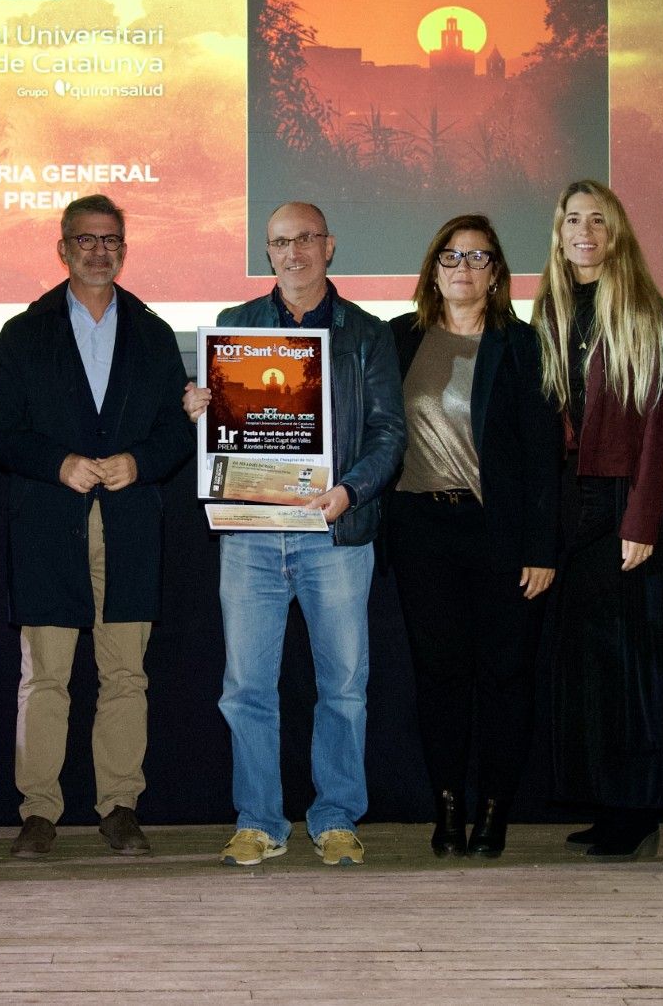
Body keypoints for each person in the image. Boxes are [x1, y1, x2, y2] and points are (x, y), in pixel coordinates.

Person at [182, 201, 406, 868]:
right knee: (245, 688)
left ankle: (335, 818)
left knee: (343, 688)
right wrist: (200, 407)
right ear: (268, 252)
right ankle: (258, 821)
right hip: (251, 534)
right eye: (281, 242)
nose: (294, 252)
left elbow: (389, 434)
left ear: (329, 246)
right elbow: (225, 427)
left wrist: (349, 492)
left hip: (334, 534)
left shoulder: (367, 334)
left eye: (306, 238)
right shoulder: (235, 326)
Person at [0, 195, 193, 858]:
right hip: (49, 525)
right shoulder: (24, 332)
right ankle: (39, 812)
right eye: (86, 240)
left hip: (130, 527)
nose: (100, 251)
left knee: (125, 673)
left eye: (111, 240)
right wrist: (58, 463)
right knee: (45, 676)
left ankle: (119, 806)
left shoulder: (153, 334)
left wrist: (140, 462)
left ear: (123, 248)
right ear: (63, 248)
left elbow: (174, 431)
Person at [534, 180, 663, 861]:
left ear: (615, 232)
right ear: (559, 233)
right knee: (587, 665)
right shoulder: (551, 309)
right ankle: (604, 801)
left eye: (597, 220)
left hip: (625, 502)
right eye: (573, 220)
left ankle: (636, 809)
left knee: (629, 665)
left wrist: (644, 519)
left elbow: (659, 426)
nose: (584, 231)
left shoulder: (644, 309)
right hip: (573, 505)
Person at [385, 214, 560, 859]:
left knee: (506, 677)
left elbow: (543, 455)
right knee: (440, 678)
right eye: (452, 257)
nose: (464, 267)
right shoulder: (398, 339)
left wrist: (542, 547)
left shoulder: (523, 345)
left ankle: (493, 810)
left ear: (496, 274)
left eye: (478, 257)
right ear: (434, 270)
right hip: (420, 530)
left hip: (500, 535)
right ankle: (449, 808)